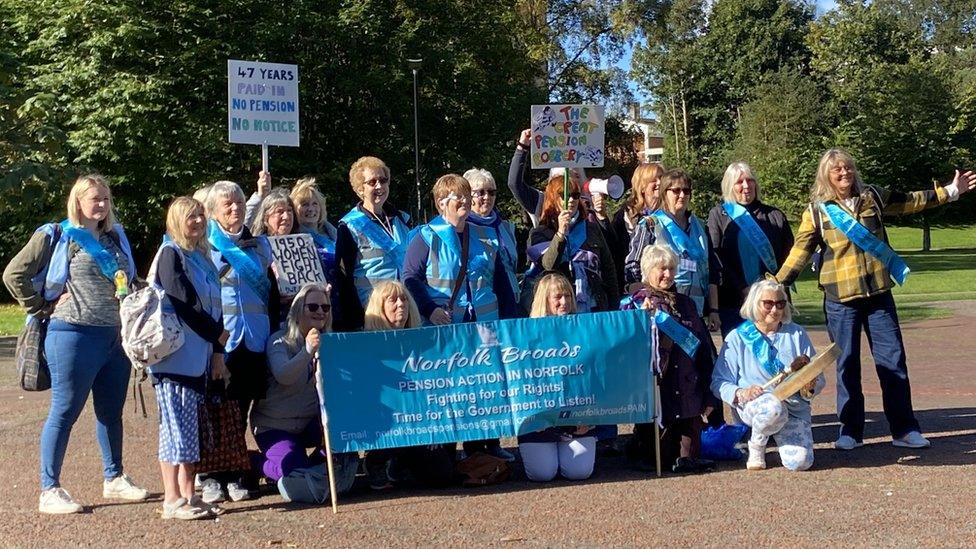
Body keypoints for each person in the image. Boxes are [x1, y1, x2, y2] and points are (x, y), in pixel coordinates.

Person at [774, 148, 975, 451]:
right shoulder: (817, 210)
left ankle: (905, 429)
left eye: (848, 168)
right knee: (847, 365)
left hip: (879, 295)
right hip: (840, 300)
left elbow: (910, 201)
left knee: (893, 362)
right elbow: (800, 252)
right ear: (826, 176)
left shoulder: (873, 197)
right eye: (837, 170)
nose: (844, 174)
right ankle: (850, 431)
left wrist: (949, 191)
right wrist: (776, 285)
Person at [3, 174, 148, 514]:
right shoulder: (57, 235)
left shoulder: (116, 237)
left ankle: (114, 477)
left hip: (115, 337)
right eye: (94, 199)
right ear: (78, 202)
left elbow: (130, 279)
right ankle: (49, 489)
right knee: (64, 412)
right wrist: (40, 306)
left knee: (111, 413)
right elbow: (13, 274)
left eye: (106, 199)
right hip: (72, 334)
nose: (101, 205)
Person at [402, 174, 519, 461]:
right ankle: (447, 448)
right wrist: (429, 309)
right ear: (442, 203)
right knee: (449, 385)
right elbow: (409, 278)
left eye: (467, 196)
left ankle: (487, 445)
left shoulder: (485, 235)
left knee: (486, 384)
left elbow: (501, 283)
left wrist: (511, 322)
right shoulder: (425, 236)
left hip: (484, 323)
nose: (466, 201)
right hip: (445, 325)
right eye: (459, 197)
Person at [149, 197, 229, 518]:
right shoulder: (171, 253)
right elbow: (182, 300)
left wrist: (218, 349)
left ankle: (189, 495)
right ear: (175, 221)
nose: (196, 221)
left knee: (190, 429)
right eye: (189, 216)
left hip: (199, 355)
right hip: (174, 356)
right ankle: (172, 500)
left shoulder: (204, 257)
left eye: (200, 215)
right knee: (174, 429)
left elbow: (216, 305)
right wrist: (215, 334)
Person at [202, 180, 281, 502]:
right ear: (213, 212)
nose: (235, 209)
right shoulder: (205, 245)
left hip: (256, 339)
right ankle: (210, 476)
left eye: (238, 203)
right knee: (216, 411)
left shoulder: (261, 245)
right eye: (227, 205)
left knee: (243, 410)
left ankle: (235, 472)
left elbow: (277, 287)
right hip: (222, 340)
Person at [252, 283, 358, 499]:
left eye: (325, 308)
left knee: (337, 454)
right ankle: (252, 463)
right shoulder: (279, 341)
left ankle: (319, 463)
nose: (320, 311)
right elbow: (284, 376)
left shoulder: (331, 343)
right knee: (293, 473)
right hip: (275, 426)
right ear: (298, 310)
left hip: (310, 424)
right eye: (313, 307)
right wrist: (307, 350)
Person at [621, 245, 717, 474]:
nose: (668, 274)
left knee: (687, 460)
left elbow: (703, 349)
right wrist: (640, 319)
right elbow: (624, 346)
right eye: (661, 269)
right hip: (657, 390)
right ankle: (637, 445)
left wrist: (709, 394)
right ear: (646, 270)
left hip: (687, 388)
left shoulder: (687, 304)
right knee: (658, 461)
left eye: (672, 269)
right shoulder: (633, 303)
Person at [711, 280, 824, 471]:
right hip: (757, 407)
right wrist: (741, 392)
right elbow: (718, 382)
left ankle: (779, 435)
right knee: (773, 407)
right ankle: (757, 443)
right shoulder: (737, 337)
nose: (775, 310)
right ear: (755, 304)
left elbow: (818, 378)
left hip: (794, 408)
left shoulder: (797, 334)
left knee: (800, 463)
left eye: (780, 304)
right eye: (768, 304)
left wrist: (810, 386)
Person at [360, 280, 459, 489]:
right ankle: (377, 461)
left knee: (443, 475)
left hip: (420, 421)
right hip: (383, 422)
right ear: (380, 306)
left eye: (404, 299)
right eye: (392, 300)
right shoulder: (363, 345)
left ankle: (401, 464)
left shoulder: (424, 342)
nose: (400, 304)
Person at [518, 273, 597, 481]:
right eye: (558, 298)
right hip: (539, 422)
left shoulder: (585, 330)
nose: (565, 302)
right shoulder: (526, 337)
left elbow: (594, 378)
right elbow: (522, 384)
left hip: (576, 419)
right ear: (545, 301)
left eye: (568, 297)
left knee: (579, 472)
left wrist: (589, 417)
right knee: (542, 474)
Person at [624, 169, 720, 329]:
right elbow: (632, 268)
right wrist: (646, 297)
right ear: (664, 193)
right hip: (662, 310)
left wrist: (714, 310)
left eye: (686, 190)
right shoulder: (650, 224)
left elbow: (711, 272)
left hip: (695, 311)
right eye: (676, 190)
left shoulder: (701, 226)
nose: (682, 195)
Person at [706, 163, 793, 336]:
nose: (746, 186)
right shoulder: (718, 215)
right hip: (734, 303)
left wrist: (775, 286)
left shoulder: (775, 216)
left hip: (773, 303)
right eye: (739, 182)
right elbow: (717, 258)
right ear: (730, 186)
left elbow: (790, 257)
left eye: (750, 180)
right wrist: (743, 289)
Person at [334, 156, 413, 331]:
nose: (379, 186)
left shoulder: (402, 219)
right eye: (372, 182)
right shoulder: (349, 226)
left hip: (403, 311)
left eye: (383, 180)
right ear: (360, 189)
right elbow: (343, 278)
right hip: (371, 313)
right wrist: (355, 320)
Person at [526, 175, 619, 313]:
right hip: (560, 309)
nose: (571, 200)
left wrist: (614, 305)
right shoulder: (540, 232)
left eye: (575, 195)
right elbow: (548, 266)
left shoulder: (591, 228)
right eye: (564, 195)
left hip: (594, 306)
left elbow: (608, 267)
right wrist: (560, 235)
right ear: (552, 197)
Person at [507, 128, 586, 227]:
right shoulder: (540, 202)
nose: (570, 199)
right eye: (563, 193)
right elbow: (514, 184)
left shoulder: (585, 205)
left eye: (575, 195)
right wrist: (522, 147)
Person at [464, 168, 520, 304]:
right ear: (468, 196)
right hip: (478, 303)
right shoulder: (462, 228)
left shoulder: (507, 228)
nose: (487, 197)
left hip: (510, 302)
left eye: (491, 192)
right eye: (481, 192)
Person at [611, 163, 663, 291]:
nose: (659, 183)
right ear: (642, 187)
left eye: (662, 178)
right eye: (653, 180)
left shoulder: (669, 213)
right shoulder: (626, 215)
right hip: (635, 285)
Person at [291, 177, 339, 280]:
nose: (311, 209)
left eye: (315, 204)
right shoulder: (291, 239)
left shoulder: (334, 234)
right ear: (294, 209)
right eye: (304, 204)